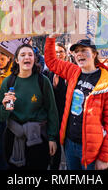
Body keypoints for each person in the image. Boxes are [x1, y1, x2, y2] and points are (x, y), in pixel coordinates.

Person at [44, 36, 108, 170]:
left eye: (84, 50)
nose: (79, 54)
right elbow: (51, 62)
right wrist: (51, 38)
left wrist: (104, 157)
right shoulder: (73, 72)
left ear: (94, 54)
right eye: (76, 51)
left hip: (91, 149)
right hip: (69, 143)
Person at [0, 43, 58, 170]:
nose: (27, 57)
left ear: (34, 59)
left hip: (38, 137)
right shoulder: (8, 82)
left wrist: (52, 138)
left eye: (30, 55)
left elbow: (52, 111)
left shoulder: (43, 81)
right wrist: (5, 108)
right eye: (22, 55)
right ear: (17, 60)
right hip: (13, 137)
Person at [43, 42, 69, 170]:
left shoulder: (71, 71)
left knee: (69, 147)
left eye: (61, 52)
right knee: (54, 147)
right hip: (53, 116)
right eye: (56, 52)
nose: (58, 54)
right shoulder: (46, 73)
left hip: (67, 115)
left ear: (65, 54)